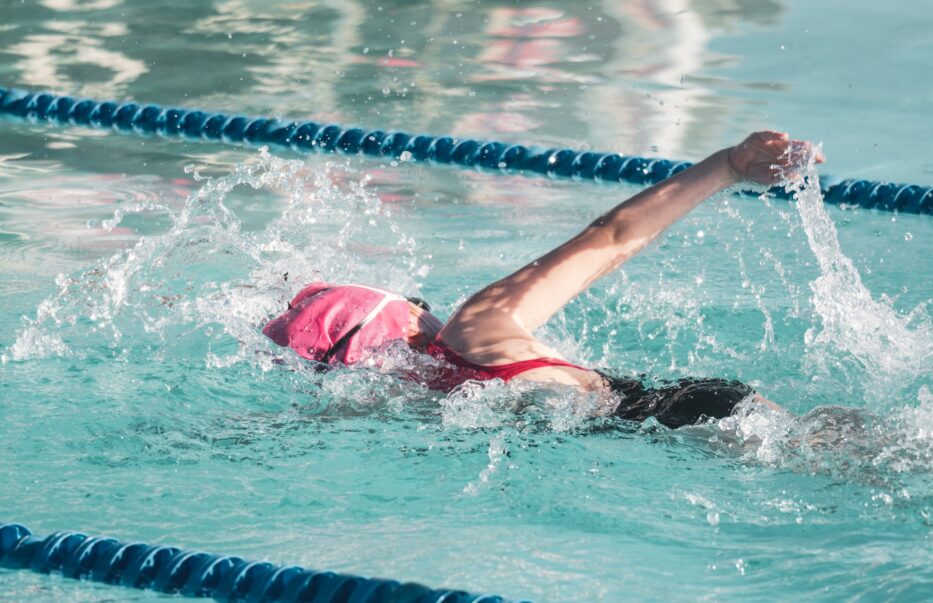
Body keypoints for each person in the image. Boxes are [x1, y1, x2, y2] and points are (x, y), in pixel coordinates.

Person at [263, 131, 824, 427]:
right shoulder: (474, 331)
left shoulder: (411, 407)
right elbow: (609, 236)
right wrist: (726, 165)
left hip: (653, 448)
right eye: (415, 302)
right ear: (407, 317)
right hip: (703, 410)